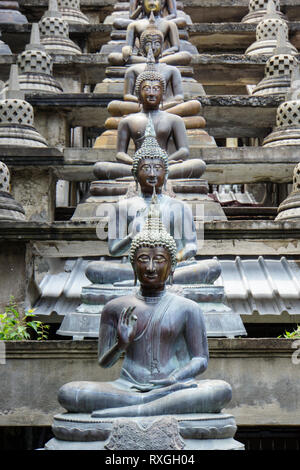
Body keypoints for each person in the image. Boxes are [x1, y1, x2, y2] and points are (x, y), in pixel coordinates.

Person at [58, 199, 231, 417]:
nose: (150, 267)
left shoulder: (188, 308)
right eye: (143, 260)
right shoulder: (115, 308)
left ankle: (140, 407)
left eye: (159, 260)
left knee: (220, 390)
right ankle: (145, 405)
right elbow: (104, 362)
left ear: (172, 265)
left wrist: (175, 378)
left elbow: (201, 359)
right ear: (132, 265)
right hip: (126, 387)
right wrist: (121, 344)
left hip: (171, 386)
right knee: (69, 393)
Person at [108, 0, 191, 66]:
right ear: (142, 2)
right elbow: (129, 45)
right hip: (143, 56)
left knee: (186, 56)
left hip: (161, 56)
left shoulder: (169, 24)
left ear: (162, 3)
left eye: (155, 0)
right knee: (113, 57)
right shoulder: (134, 25)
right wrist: (126, 49)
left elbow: (176, 47)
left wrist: (163, 53)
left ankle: (152, 61)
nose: (152, 2)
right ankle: (154, 62)